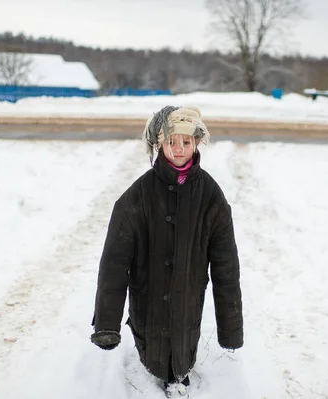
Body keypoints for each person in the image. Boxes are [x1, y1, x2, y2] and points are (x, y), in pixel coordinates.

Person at [90, 105, 243, 397]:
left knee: (183, 344)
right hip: (147, 295)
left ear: (197, 142)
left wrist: (231, 329)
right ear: (159, 144)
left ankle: (180, 374)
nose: (179, 149)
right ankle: (154, 370)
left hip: (189, 296)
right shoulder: (138, 195)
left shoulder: (211, 196)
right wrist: (107, 324)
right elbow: (114, 263)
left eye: (186, 141)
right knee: (153, 348)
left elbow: (226, 267)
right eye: (171, 141)